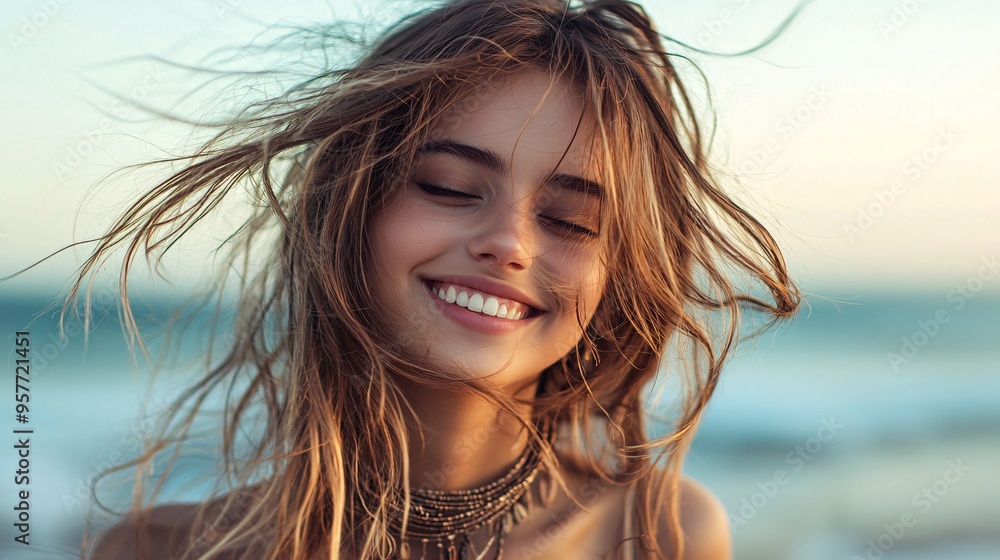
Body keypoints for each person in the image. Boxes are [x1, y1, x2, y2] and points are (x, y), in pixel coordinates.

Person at [75, 0, 800, 558]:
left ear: (619, 280)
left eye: (571, 221)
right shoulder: (158, 550)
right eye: (448, 187)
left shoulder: (660, 535)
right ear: (350, 208)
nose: (509, 243)